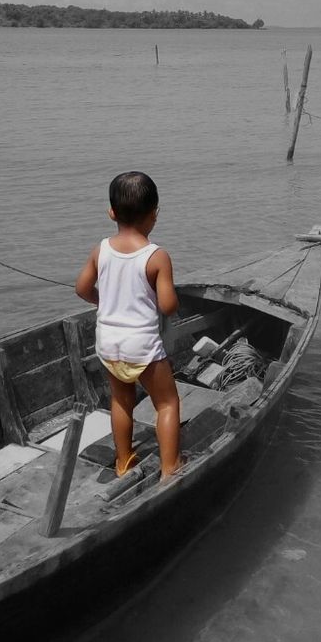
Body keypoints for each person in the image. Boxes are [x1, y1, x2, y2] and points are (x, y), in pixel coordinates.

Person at [75, 171, 183, 480]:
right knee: (167, 403)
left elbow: (82, 288)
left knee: (121, 401)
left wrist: (106, 302)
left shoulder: (101, 250)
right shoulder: (156, 257)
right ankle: (170, 467)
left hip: (108, 342)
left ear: (111, 212)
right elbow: (167, 306)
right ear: (155, 214)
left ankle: (123, 462)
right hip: (142, 345)